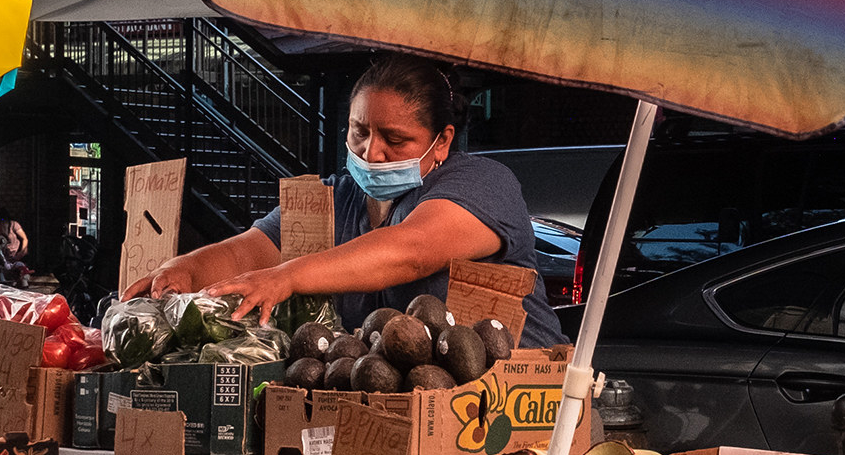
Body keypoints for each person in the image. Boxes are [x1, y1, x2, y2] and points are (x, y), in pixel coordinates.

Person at [126, 57, 564, 344]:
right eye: (360, 132)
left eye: (395, 139)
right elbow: (252, 249)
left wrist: (288, 277)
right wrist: (184, 270)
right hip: (406, 407)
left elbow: (411, 251)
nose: (372, 153)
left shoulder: (483, 184)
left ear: (443, 140)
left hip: (522, 402)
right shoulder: (338, 199)